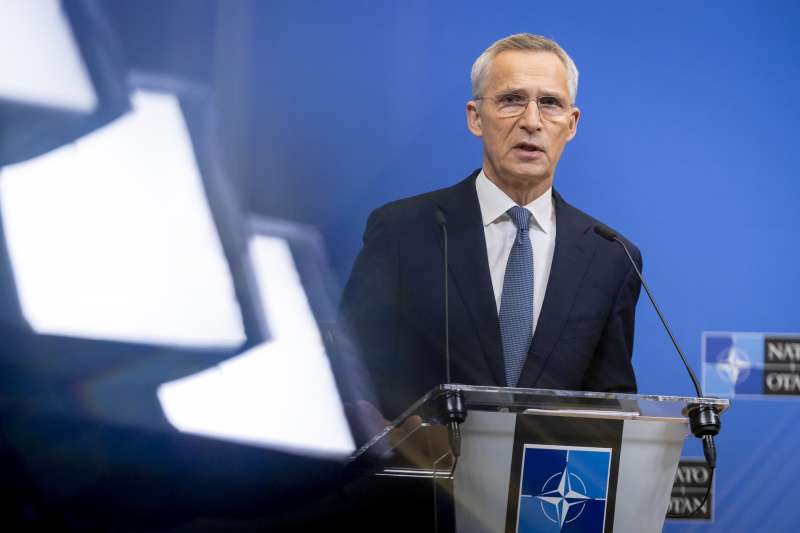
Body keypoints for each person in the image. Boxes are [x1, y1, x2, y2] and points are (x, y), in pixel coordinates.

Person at [337, 33, 643, 422]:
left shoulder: (610, 257)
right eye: (511, 100)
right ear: (475, 117)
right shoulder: (401, 232)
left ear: (571, 124)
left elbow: (611, 409)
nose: (531, 121)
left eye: (550, 103)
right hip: (423, 461)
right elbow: (351, 373)